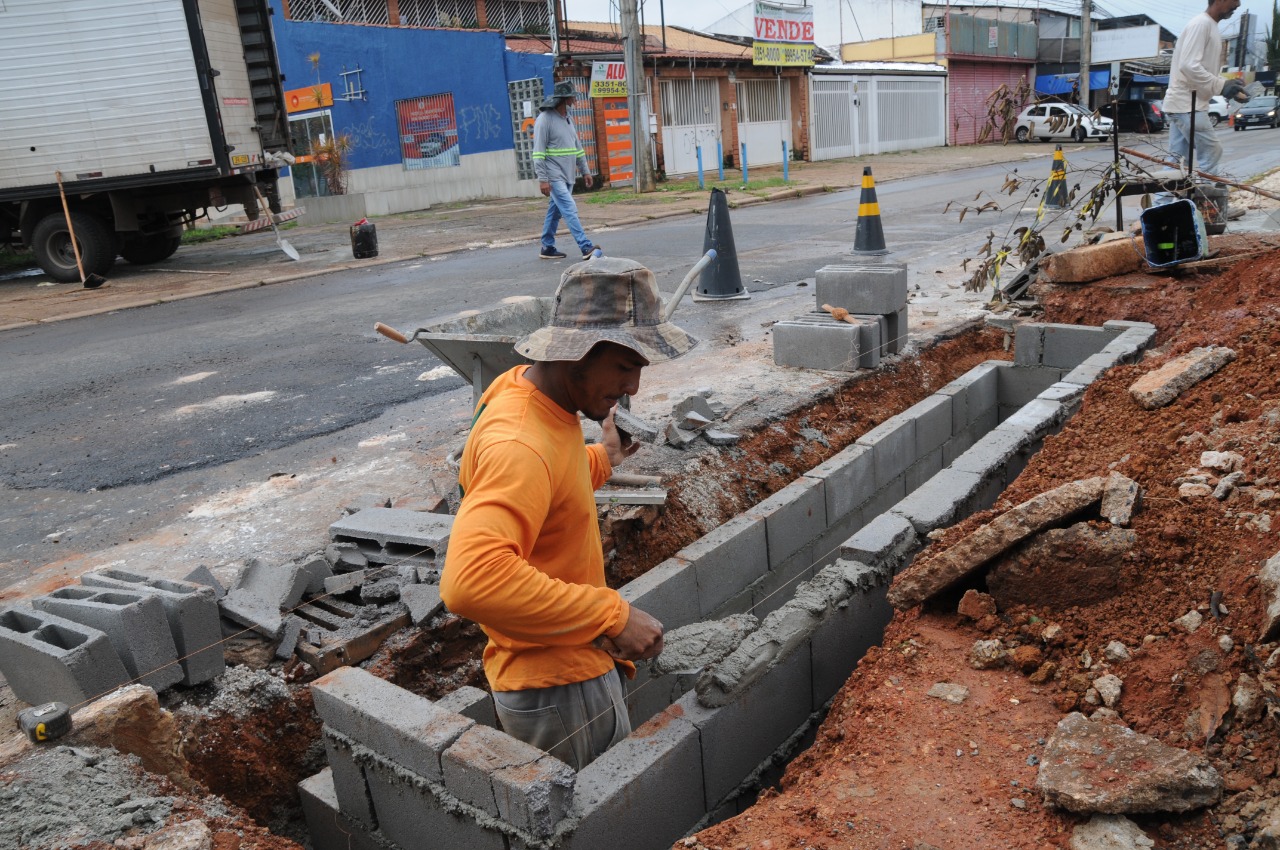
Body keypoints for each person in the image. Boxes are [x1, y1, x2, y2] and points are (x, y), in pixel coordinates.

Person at [440, 257, 697, 770]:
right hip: (560, 687)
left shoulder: (525, 391)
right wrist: (612, 614)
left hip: (561, 672)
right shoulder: (520, 443)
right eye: (625, 368)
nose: (633, 389)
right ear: (576, 354)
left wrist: (604, 458)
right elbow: (470, 582)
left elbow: (550, 476)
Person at [1163, 0, 1249, 175]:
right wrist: (1220, 85)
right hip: (1187, 104)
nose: (1238, 4)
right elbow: (1188, 65)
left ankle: (1164, 201)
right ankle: (1208, 198)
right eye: (1235, 0)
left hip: (1184, 104)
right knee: (1211, 152)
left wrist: (1228, 84)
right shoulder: (1201, 24)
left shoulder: (1210, 26)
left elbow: (1200, 69)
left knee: (1177, 163)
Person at [533, 81, 599, 261]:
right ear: (565, 98)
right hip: (553, 175)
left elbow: (577, 148)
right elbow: (538, 152)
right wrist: (543, 179)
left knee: (555, 212)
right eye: (572, 96)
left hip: (567, 174)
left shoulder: (567, 118)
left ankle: (547, 246)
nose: (575, 98)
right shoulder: (545, 119)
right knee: (569, 208)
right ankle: (585, 247)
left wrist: (585, 171)